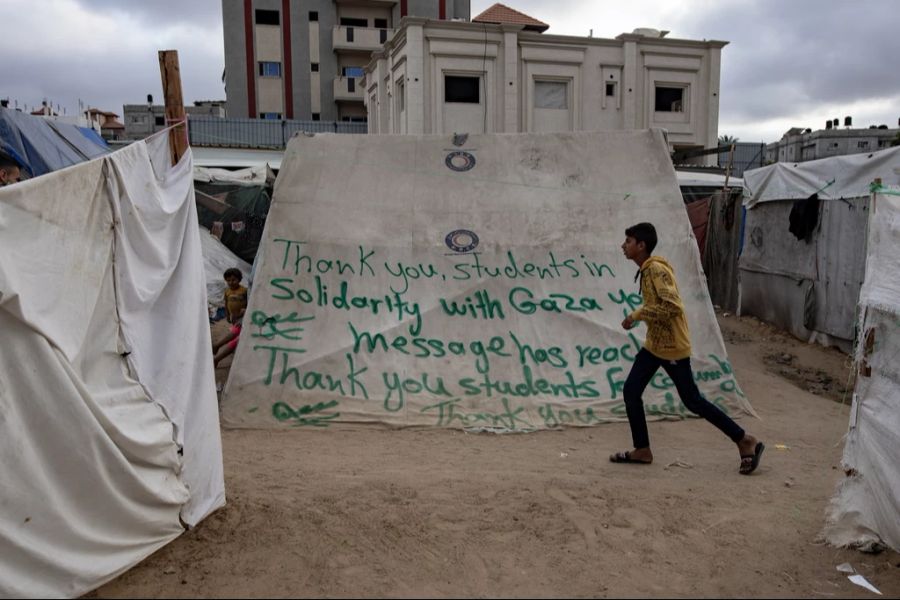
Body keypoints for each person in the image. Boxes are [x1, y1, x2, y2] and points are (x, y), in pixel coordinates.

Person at [610, 222, 764, 475]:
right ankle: (642, 449)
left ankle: (744, 440)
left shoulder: (656, 270)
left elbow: (673, 307)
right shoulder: (647, 270)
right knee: (631, 390)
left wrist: (637, 314)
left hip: (671, 348)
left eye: (628, 241)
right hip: (656, 345)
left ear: (641, 245)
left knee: (693, 401)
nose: (623, 246)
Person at [213, 268, 248, 367]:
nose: (231, 282)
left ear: (239, 279)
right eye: (228, 280)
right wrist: (228, 315)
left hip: (243, 317)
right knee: (236, 334)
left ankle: (217, 349)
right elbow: (226, 303)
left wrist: (244, 310)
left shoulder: (244, 291)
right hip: (234, 318)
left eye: (233, 280)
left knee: (235, 335)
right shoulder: (227, 291)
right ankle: (217, 349)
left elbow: (250, 302)